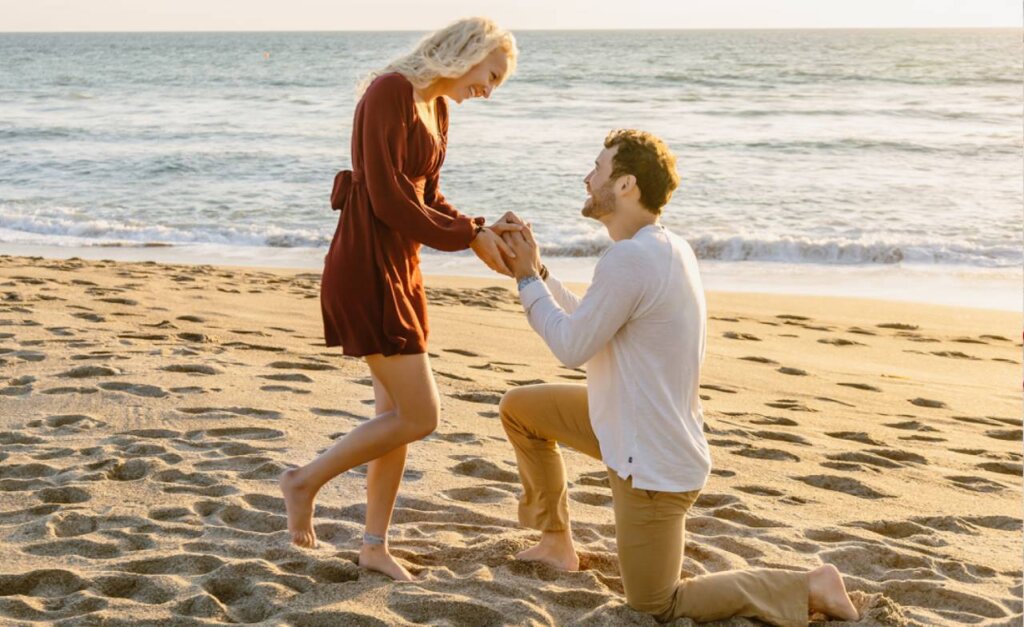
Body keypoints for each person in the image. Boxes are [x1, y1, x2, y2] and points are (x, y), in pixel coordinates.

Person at [497, 130, 860, 625]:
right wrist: (537, 269)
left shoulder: (632, 258)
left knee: (656, 604)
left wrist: (524, 280)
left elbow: (571, 346)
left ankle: (810, 585)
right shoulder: (664, 248)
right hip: (623, 421)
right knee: (522, 411)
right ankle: (556, 543)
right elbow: (591, 322)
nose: (587, 177)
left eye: (597, 169)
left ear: (625, 185)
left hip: (652, 462)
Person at [280, 17, 521, 582]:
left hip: (400, 267)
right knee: (420, 414)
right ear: (467, 52)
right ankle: (303, 480)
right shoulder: (389, 91)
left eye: (496, 84)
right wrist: (468, 238)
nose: (488, 90)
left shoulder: (437, 109)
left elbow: (428, 195)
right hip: (365, 265)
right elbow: (388, 198)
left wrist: (480, 227)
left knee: (393, 417)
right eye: (490, 75)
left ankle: (373, 544)